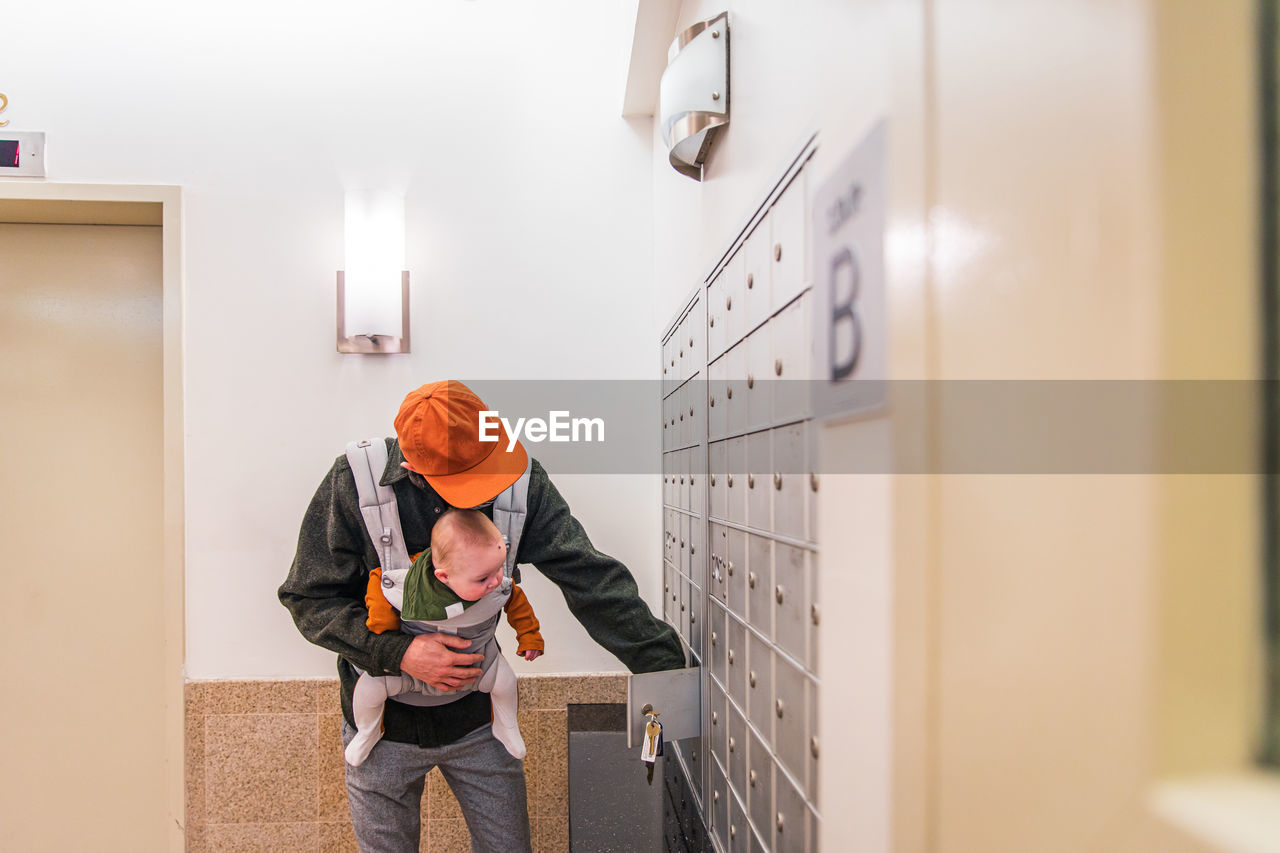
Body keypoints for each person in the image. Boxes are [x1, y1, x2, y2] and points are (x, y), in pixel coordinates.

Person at [279, 379, 684, 853]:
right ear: (411, 468)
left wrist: (671, 677)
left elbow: (591, 579)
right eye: (464, 482)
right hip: (381, 732)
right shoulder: (353, 483)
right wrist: (398, 652)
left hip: (480, 723)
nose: (481, 494)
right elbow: (308, 598)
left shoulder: (520, 480)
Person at [345, 508, 544, 767]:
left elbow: (517, 604)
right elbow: (381, 582)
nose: (496, 581)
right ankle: (368, 729)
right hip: (407, 670)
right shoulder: (414, 579)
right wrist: (383, 628)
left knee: (505, 683)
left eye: (498, 569)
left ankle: (506, 725)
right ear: (443, 576)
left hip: (477, 665)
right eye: (483, 578)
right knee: (369, 689)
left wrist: (529, 637)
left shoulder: (496, 582)